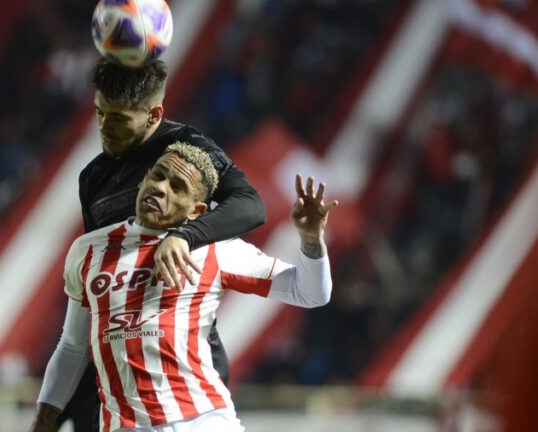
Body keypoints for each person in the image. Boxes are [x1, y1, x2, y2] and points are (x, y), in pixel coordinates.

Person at [29, 143, 338, 431]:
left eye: (177, 187)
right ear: (144, 178)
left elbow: (309, 292)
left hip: (201, 420)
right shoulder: (88, 250)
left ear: (197, 210)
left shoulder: (216, 250)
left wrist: (311, 239)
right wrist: (45, 416)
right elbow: (72, 346)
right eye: (158, 175)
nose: (161, 188)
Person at [58, 58, 267, 431]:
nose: (105, 127)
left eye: (119, 118)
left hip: (184, 368)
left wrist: (183, 236)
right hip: (121, 371)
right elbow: (96, 286)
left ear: (154, 114)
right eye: (99, 113)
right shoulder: (92, 177)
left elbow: (250, 206)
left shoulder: (184, 149)